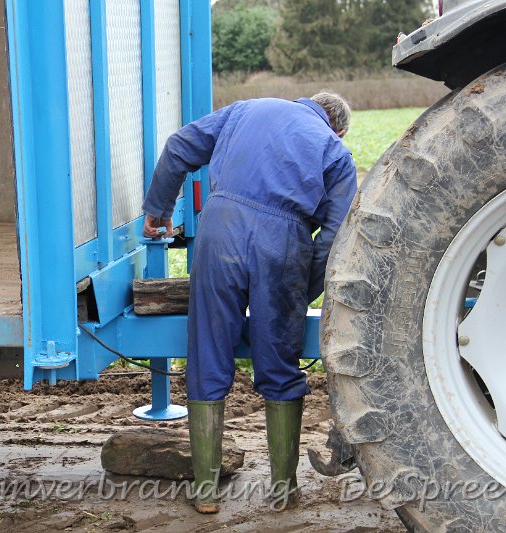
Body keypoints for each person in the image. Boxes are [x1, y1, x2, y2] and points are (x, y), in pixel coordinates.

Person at [141, 93, 357, 513]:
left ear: (309, 102)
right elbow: (335, 237)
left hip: (219, 230)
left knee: (208, 351)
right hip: (282, 243)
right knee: (278, 363)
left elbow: (179, 146)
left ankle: (206, 492)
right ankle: (283, 490)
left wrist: (160, 209)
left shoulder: (246, 109)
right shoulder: (334, 150)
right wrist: (300, 289)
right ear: (339, 128)